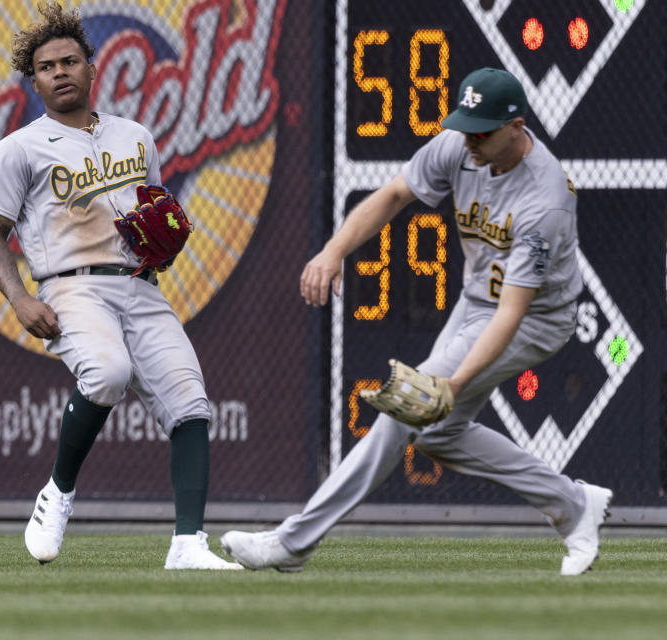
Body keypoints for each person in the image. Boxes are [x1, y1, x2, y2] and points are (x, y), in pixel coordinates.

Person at [221, 68, 612, 576]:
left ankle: (293, 543)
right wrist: (334, 250)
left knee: (405, 410)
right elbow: (393, 195)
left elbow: (512, 312)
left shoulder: (545, 201)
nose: (469, 138)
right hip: (476, 303)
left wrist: (452, 382)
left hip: (535, 318)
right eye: (465, 125)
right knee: (436, 435)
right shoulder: (459, 145)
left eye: (482, 130)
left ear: (516, 126)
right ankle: (573, 504)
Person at [0, 2, 240, 570]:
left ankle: (188, 546)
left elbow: (155, 211)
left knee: (191, 403)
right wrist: (20, 297)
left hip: (140, 287)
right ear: (34, 79)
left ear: (93, 67)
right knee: (108, 372)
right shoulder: (19, 148)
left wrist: (162, 236)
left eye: (70, 61)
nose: (60, 72)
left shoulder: (136, 136)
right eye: (47, 66)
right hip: (72, 287)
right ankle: (58, 494)